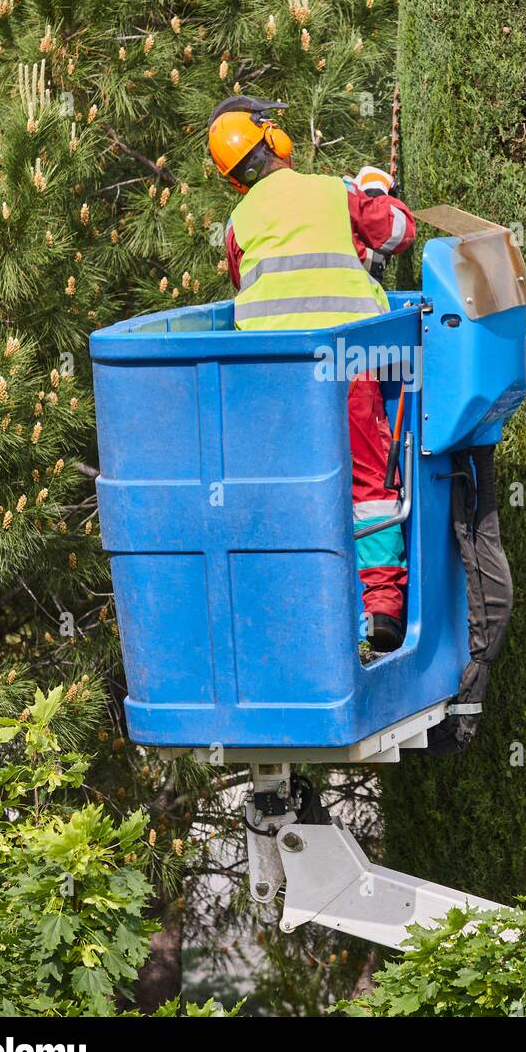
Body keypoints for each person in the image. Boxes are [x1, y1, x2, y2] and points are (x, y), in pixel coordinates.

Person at [208, 96, 416, 653]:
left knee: (292, 486)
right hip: (346, 365)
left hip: (272, 376)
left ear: (234, 179)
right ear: (274, 141)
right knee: (368, 481)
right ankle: (381, 609)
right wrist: (375, 194)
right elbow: (399, 233)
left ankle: (299, 609)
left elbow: (250, 279)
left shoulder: (238, 222)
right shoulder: (333, 191)